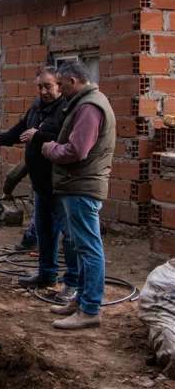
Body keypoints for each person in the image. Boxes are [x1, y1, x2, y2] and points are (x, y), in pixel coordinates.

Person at [0, 67, 77, 300]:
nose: (43, 91)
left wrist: (39, 133)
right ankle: (47, 274)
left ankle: (73, 284)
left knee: (70, 238)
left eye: (48, 86)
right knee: (45, 232)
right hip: (40, 184)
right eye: (40, 86)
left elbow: (65, 138)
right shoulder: (37, 106)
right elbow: (22, 128)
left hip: (60, 185)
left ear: (59, 86)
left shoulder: (66, 109)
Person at [42, 61, 115, 330]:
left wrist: (50, 149)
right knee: (82, 248)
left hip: (82, 186)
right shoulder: (87, 102)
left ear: (73, 81)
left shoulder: (88, 107)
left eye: (61, 84)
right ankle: (81, 301)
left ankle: (90, 308)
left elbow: (77, 150)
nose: (59, 89)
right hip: (78, 186)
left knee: (89, 248)